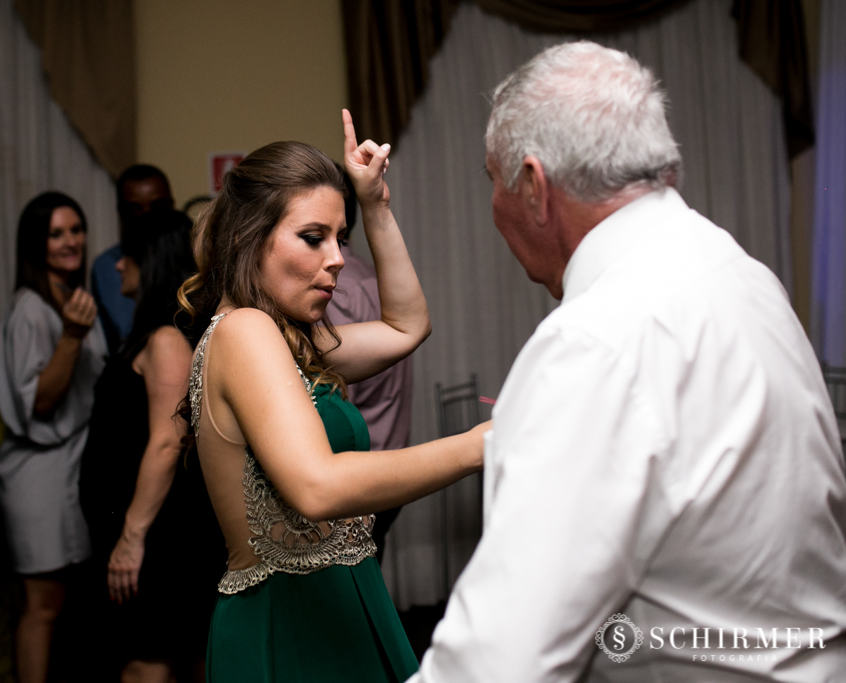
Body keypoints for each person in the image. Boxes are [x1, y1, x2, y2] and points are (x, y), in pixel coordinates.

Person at [409, 41, 846, 683]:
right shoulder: (740, 273)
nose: (493, 204)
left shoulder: (595, 341)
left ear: (533, 186)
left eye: (491, 179)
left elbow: (499, 663)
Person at [179, 111, 488, 683]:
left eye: (340, 239)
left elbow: (406, 327)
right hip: (290, 622)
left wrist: (375, 204)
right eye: (313, 237)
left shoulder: (291, 339)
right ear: (251, 237)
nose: (338, 258)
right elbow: (317, 486)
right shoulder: (244, 332)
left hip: (346, 599)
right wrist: (477, 446)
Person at [80, 207, 225, 683]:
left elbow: (169, 441)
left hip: (162, 536)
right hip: (154, 532)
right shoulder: (154, 332)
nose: (119, 266)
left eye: (128, 256)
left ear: (152, 260)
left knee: (149, 661)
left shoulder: (166, 337)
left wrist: (131, 537)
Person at [0, 191, 108, 683]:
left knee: (65, 605)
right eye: (56, 234)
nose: (70, 242)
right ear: (35, 245)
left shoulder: (73, 298)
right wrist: (70, 338)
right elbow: (38, 402)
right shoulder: (31, 308)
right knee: (41, 606)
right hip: (38, 475)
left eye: (76, 230)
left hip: (72, 467)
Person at [325, 164, 414, 561]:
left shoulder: (337, 289)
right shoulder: (368, 274)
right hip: (388, 451)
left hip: (360, 469)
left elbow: (331, 394)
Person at [92, 165, 175, 353]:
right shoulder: (106, 266)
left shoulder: (193, 256)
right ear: (121, 213)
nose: (147, 218)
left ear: (171, 206)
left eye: (157, 208)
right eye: (135, 210)